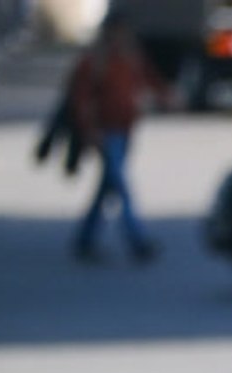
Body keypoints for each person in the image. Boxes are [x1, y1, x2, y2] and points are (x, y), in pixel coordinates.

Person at [67, 11, 172, 264]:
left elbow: (149, 79)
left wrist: (166, 97)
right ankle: (137, 240)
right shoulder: (95, 60)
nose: (120, 37)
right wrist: (90, 131)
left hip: (125, 130)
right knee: (121, 187)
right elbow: (81, 100)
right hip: (106, 132)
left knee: (107, 186)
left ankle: (85, 238)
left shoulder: (130, 57)